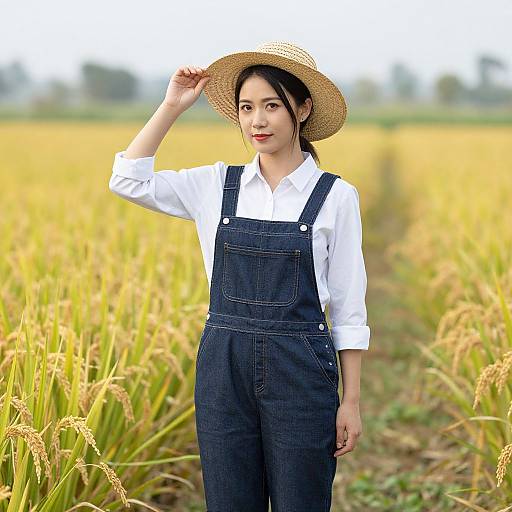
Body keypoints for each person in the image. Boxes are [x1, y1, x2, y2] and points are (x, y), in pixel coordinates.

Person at [109, 40, 370, 512]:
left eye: (272, 106)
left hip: (301, 371)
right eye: (247, 108)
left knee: (301, 503)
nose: (258, 121)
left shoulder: (336, 197)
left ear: (303, 108)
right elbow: (128, 179)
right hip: (223, 372)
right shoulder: (214, 185)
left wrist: (350, 400)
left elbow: (350, 310)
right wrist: (172, 106)